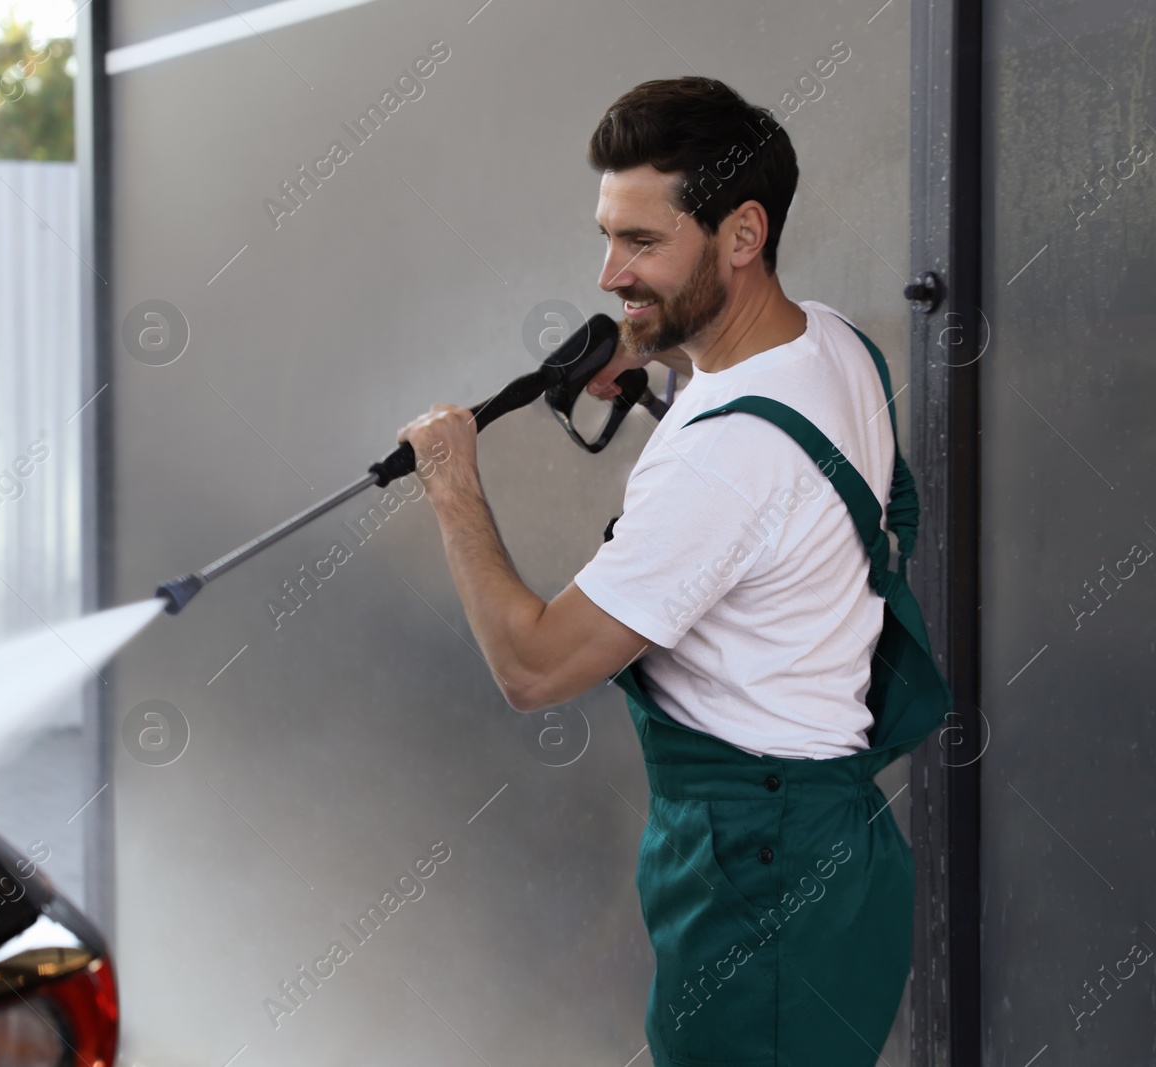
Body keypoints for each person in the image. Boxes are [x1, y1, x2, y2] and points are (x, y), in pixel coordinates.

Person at [396, 76, 949, 1067]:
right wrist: (656, 350)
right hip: (835, 852)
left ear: (741, 234)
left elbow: (532, 668)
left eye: (642, 244)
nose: (608, 274)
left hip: (758, 875)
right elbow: (772, 497)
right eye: (607, 237)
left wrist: (450, 481)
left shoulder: (718, 461)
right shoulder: (830, 342)